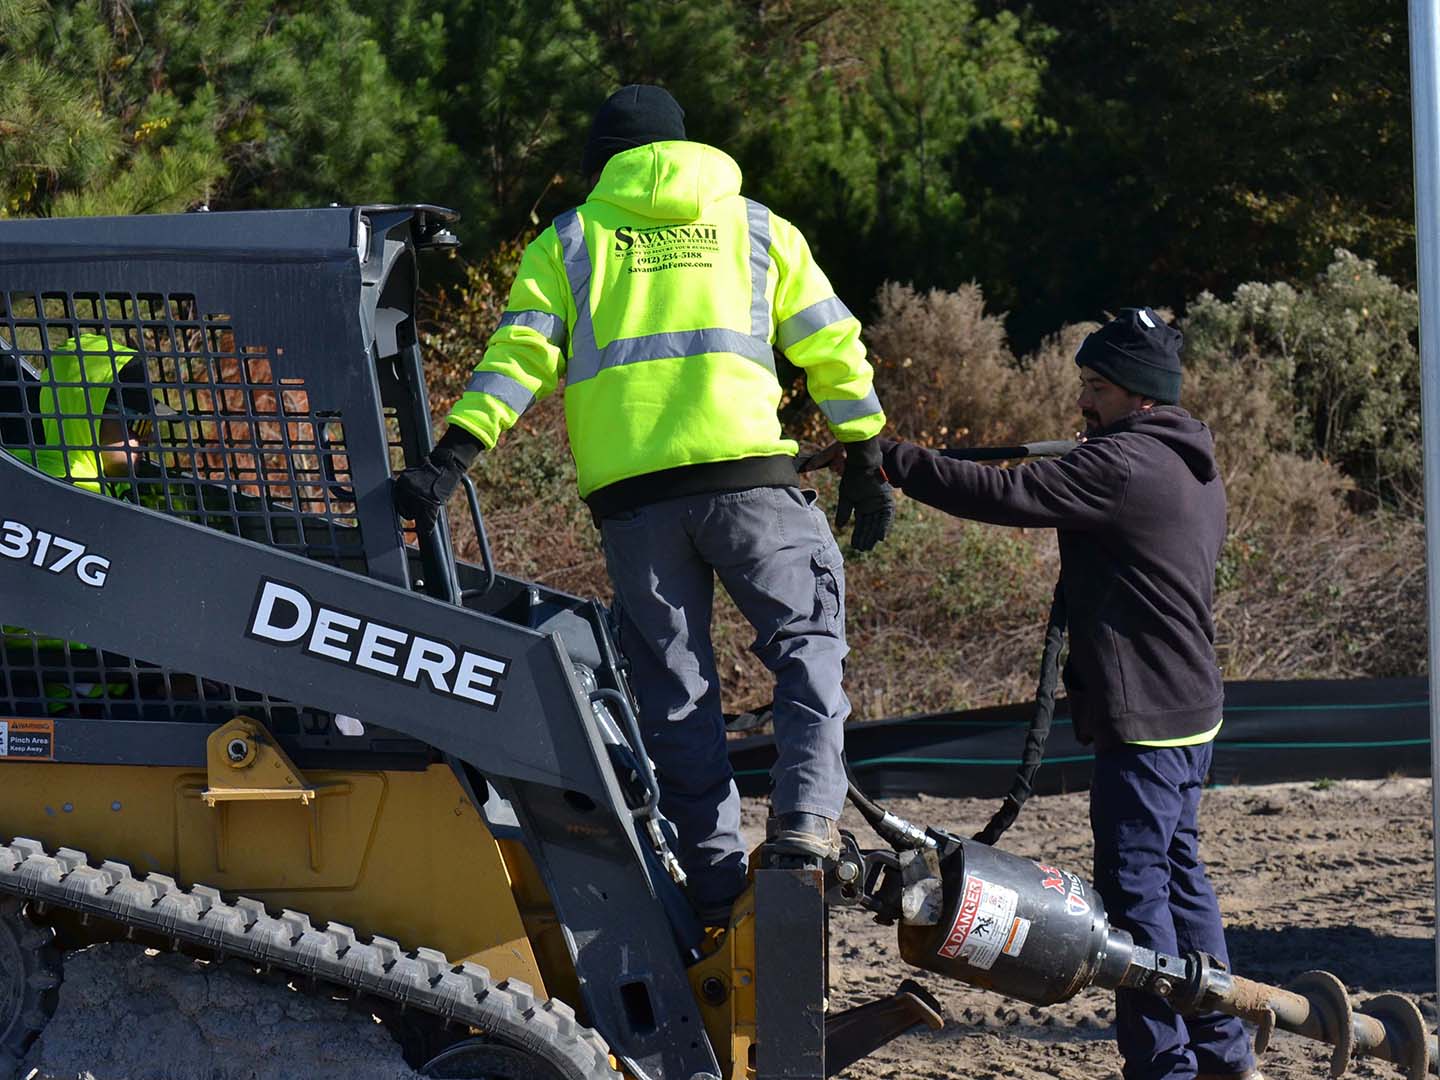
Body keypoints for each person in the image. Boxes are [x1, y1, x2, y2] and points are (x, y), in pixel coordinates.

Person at [394, 85, 893, 921]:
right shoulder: (758, 227)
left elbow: (517, 358)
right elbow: (831, 343)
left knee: (677, 696)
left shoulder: (572, 239)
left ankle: (714, 887)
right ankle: (805, 823)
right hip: (751, 489)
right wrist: (866, 452)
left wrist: (454, 456)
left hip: (636, 507)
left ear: (605, 161)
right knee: (807, 650)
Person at [862, 309, 1258, 1080]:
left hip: (1145, 719)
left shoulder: (1120, 468)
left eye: (1096, 387)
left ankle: (1165, 1068)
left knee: (1137, 897)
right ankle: (1226, 1050)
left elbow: (1002, 495)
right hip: (1191, 709)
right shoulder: (1187, 461)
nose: (1083, 402)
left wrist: (895, 461)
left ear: (1139, 395)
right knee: (1182, 879)